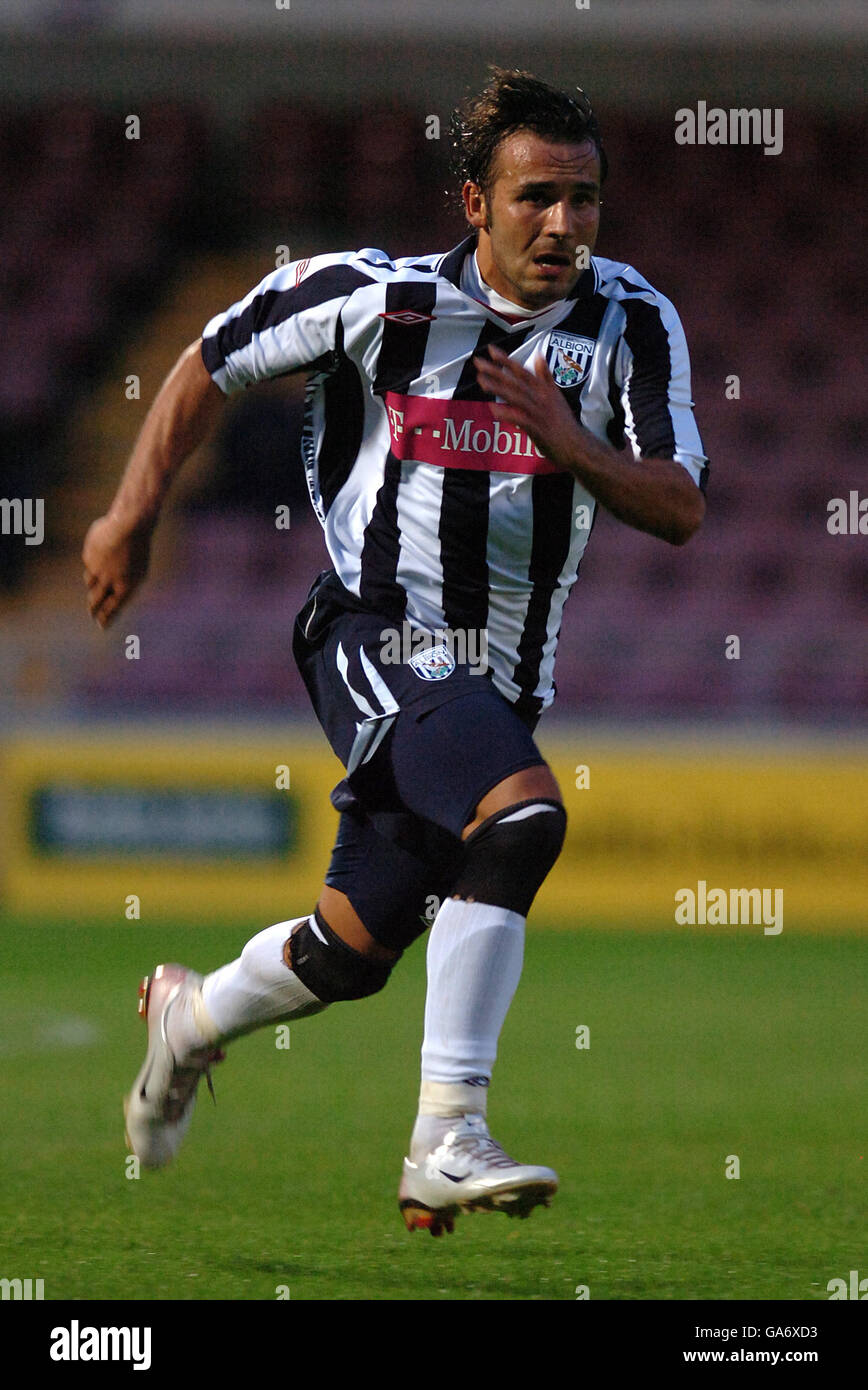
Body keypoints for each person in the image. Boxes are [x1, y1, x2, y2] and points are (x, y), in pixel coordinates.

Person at [82, 68, 707, 1238]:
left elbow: (678, 508)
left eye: (583, 200)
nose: (563, 225)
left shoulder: (632, 323)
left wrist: (570, 442)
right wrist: (130, 514)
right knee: (523, 818)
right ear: (473, 201)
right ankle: (445, 1135)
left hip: (497, 682)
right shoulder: (377, 299)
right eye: (535, 198)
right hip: (370, 631)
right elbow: (208, 358)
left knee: (351, 950)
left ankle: (188, 1017)